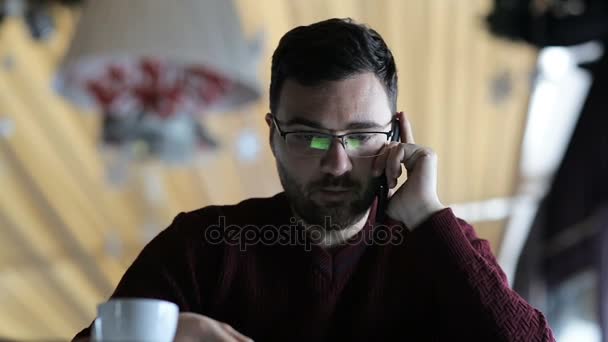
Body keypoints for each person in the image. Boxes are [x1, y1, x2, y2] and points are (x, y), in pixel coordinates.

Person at [73, 18, 555, 341]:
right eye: (309, 137)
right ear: (273, 136)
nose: (338, 164)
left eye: (362, 135)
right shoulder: (201, 247)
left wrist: (426, 214)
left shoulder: (440, 247)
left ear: (398, 134)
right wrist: (172, 333)